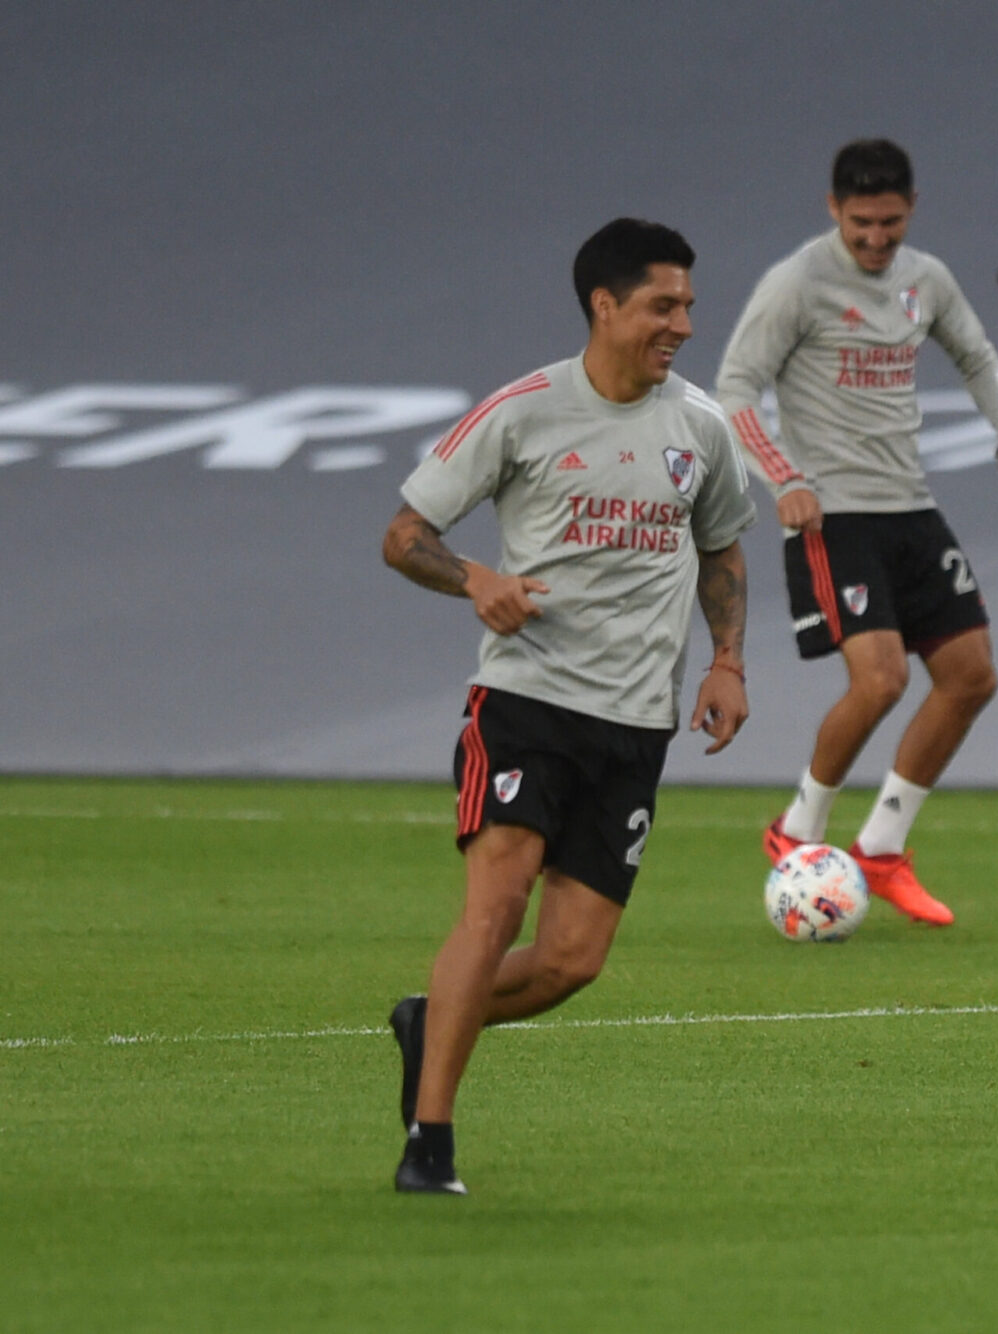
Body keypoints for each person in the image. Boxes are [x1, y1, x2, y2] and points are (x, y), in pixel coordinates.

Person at [380, 218, 757, 1195]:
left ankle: (430, 1019)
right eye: (661, 304)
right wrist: (475, 579)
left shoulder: (701, 427)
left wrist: (727, 662)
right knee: (496, 903)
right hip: (526, 702)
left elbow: (721, 547)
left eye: (686, 304)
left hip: (635, 723)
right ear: (604, 305)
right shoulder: (523, 410)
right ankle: (431, 1143)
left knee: (570, 961)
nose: (681, 322)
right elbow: (404, 533)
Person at [716, 139, 998, 927]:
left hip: (908, 504)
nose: (874, 239)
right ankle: (796, 830)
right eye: (860, 222)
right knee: (883, 678)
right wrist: (785, 478)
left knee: (972, 675)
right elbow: (734, 389)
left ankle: (882, 847)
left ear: (912, 209)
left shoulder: (925, 280)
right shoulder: (797, 282)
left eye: (889, 223)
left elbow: (979, 357)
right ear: (833, 209)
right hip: (831, 511)